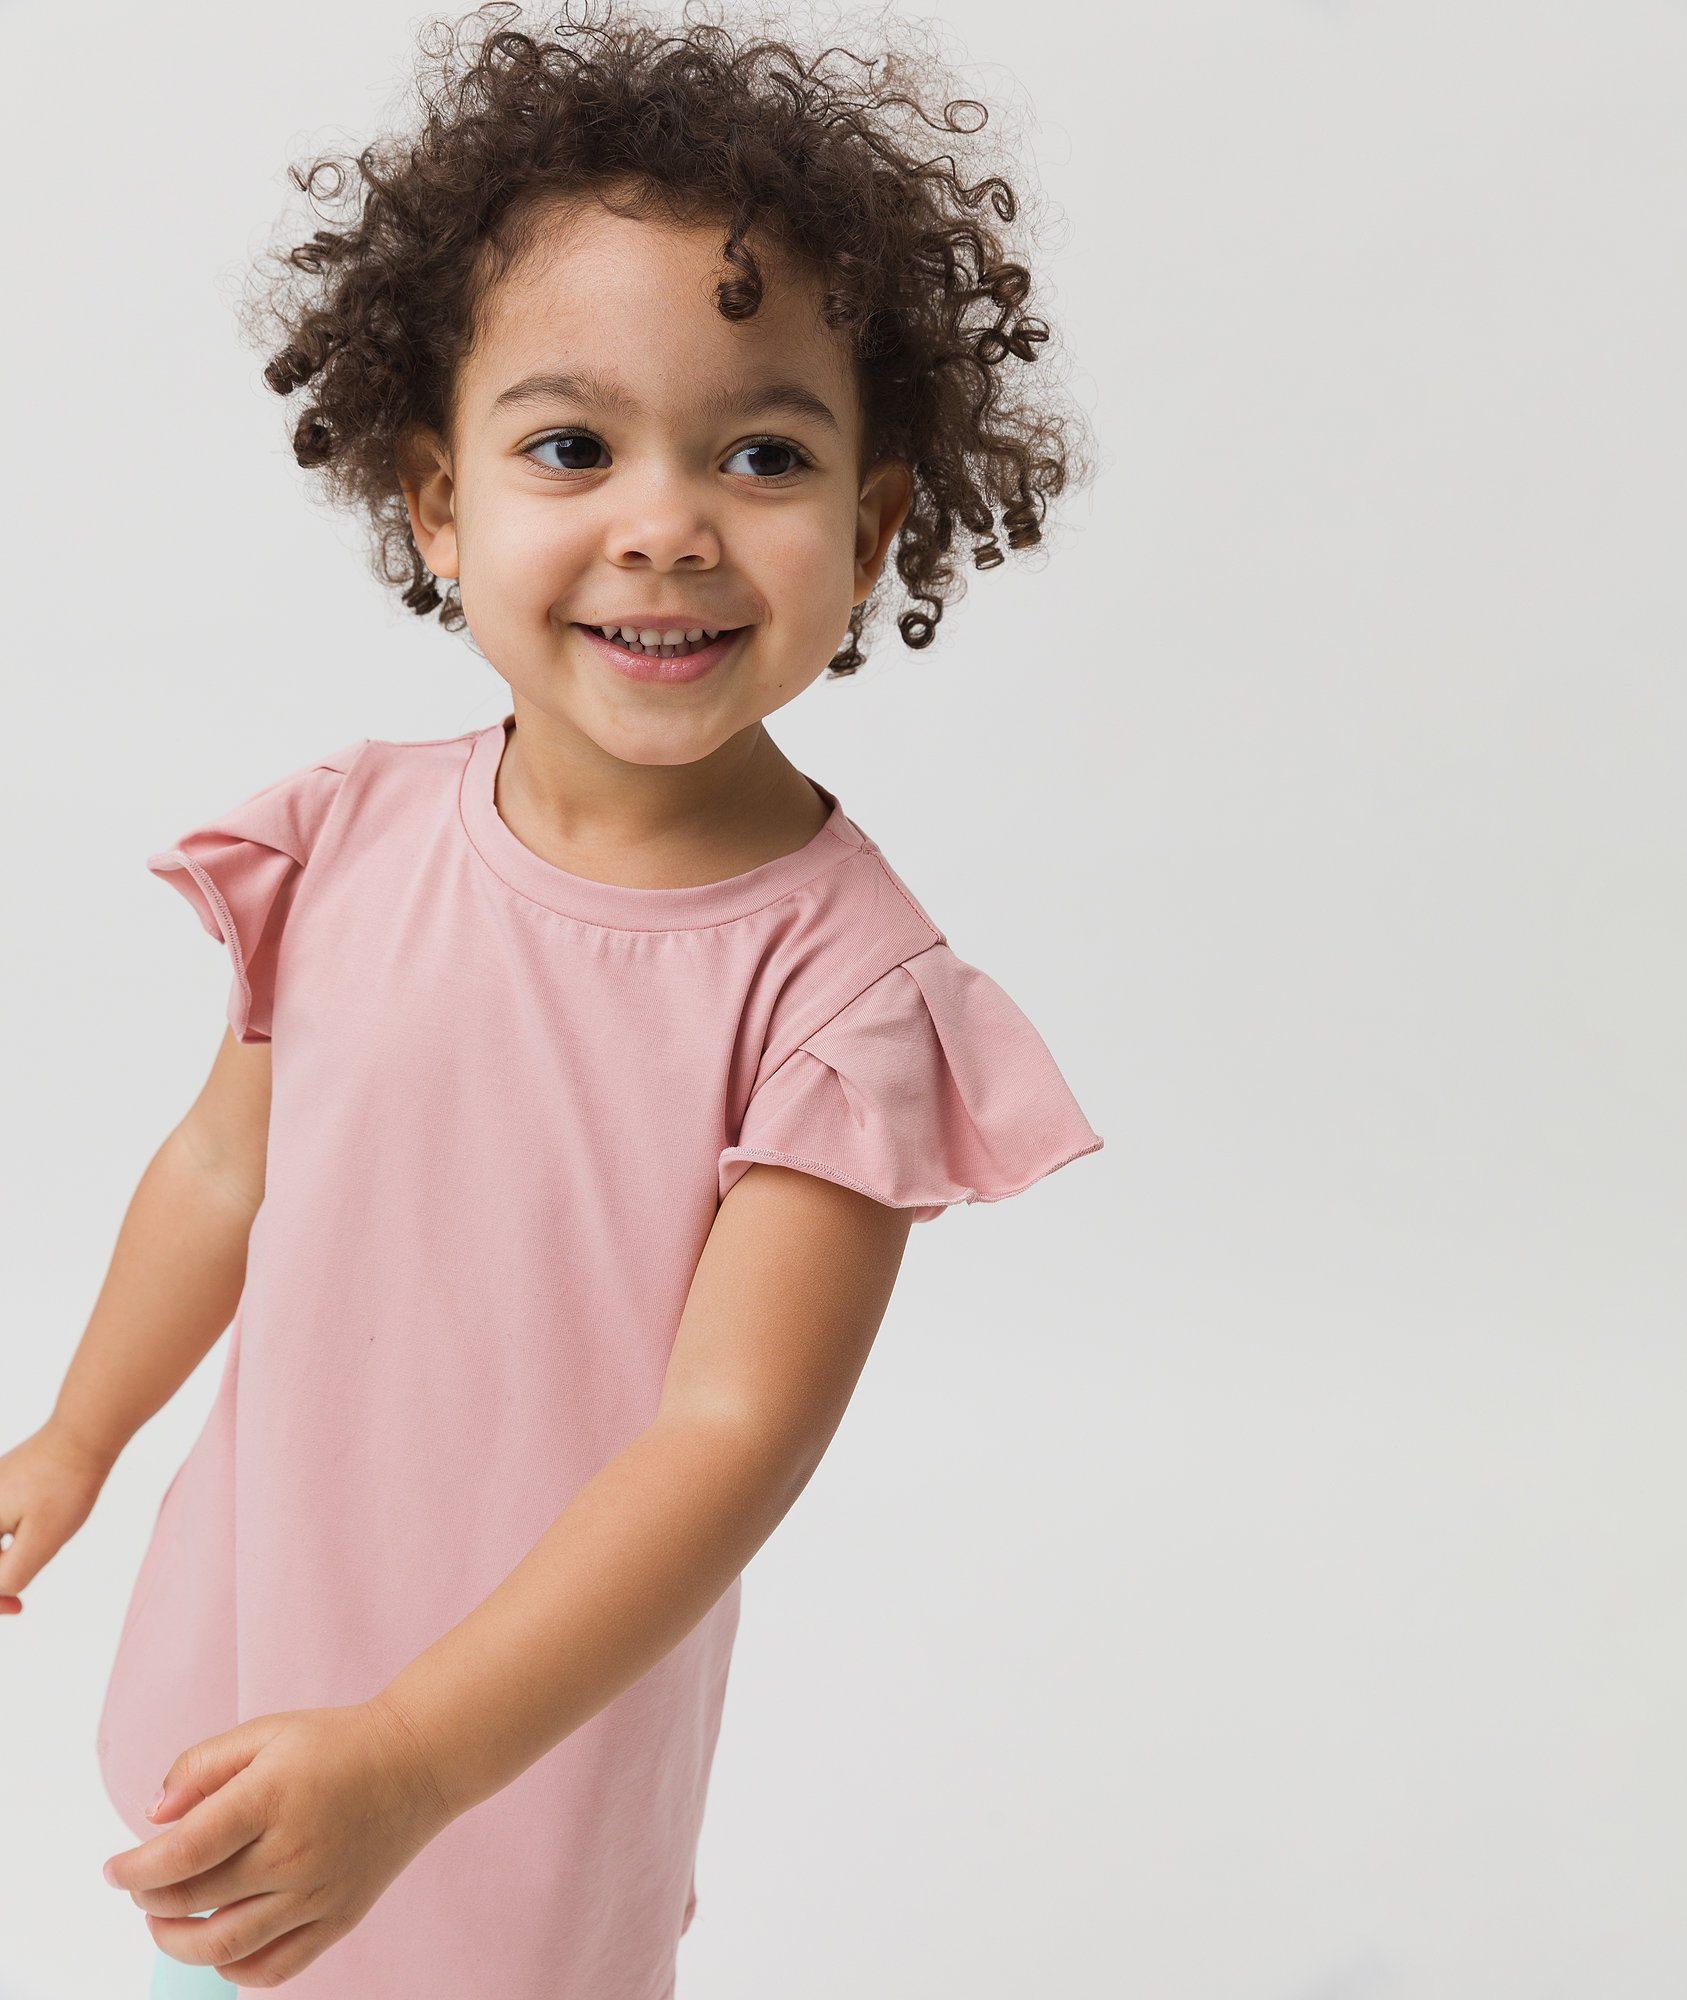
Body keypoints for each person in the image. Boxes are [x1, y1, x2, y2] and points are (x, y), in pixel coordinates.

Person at [0, 6, 1103, 1992]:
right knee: (236, 1925)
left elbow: (727, 1437)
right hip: (278, 1637)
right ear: (439, 505)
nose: (664, 521)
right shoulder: (344, 841)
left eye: (760, 450)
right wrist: (72, 1439)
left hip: (520, 1743)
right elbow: (220, 1171)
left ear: (868, 530)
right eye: (572, 445)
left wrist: (420, 1759)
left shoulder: (838, 994)